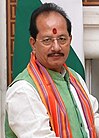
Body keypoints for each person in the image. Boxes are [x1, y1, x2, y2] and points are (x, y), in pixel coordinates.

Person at [5, 3, 99, 138]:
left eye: (62, 39)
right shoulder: (23, 90)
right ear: (33, 43)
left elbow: (91, 120)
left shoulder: (74, 78)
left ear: (70, 40)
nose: (56, 47)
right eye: (47, 40)